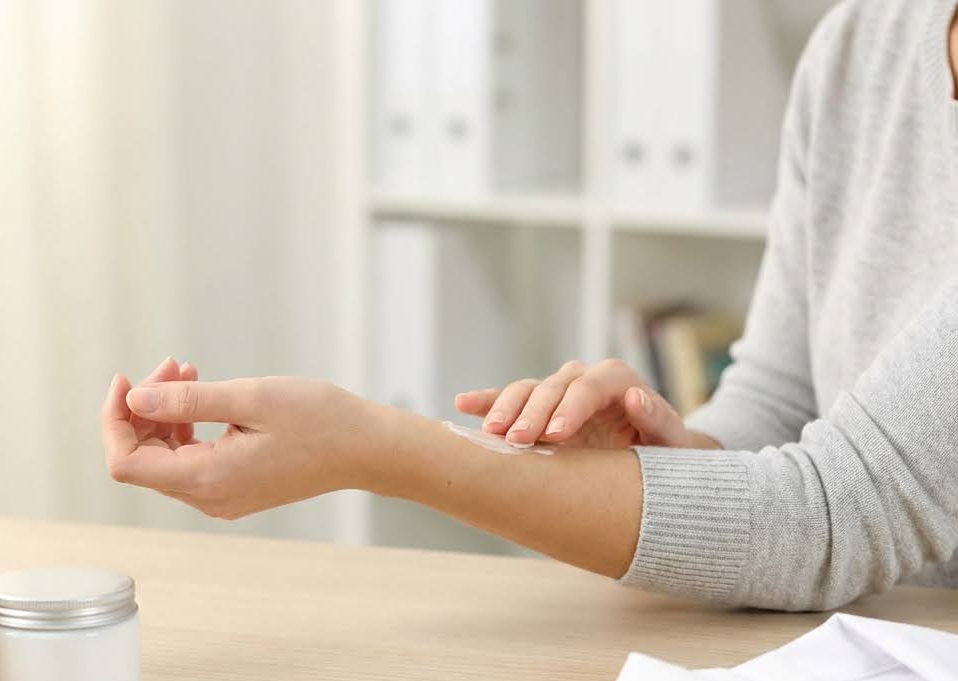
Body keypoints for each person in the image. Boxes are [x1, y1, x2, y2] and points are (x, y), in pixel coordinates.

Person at [101, 0, 958, 612]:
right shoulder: (859, 45)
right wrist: (678, 451)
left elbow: (836, 514)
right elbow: (782, 393)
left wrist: (376, 448)